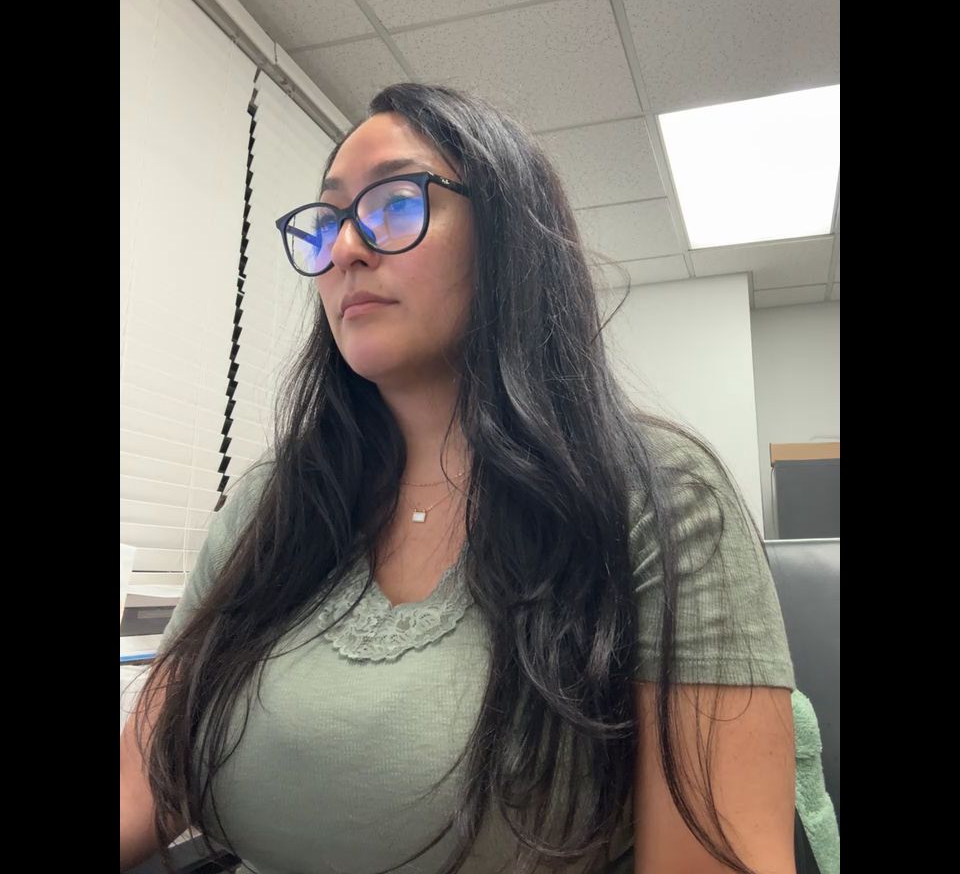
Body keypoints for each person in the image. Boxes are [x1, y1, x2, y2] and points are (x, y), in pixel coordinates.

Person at [120, 82, 798, 874]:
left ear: (509, 239)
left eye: (393, 205)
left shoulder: (662, 498)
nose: (345, 249)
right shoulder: (272, 499)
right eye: (329, 221)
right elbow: (149, 773)